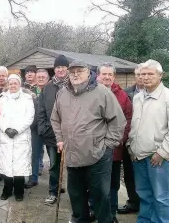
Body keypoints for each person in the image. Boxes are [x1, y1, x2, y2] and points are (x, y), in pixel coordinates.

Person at [51, 60, 126, 223]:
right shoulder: (62, 93)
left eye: (80, 71)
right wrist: (60, 139)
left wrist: (108, 145)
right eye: (72, 72)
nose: (75, 74)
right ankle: (80, 220)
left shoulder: (102, 92)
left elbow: (118, 121)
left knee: (100, 197)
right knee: (76, 196)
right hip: (72, 154)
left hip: (98, 155)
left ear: (89, 73)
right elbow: (55, 119)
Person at [127, 59, 169, 223]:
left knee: (160, 197)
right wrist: (130, 147)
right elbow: (135, 125)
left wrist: (162, 153)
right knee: (144, 194)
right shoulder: (138, 98)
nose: (145, 77)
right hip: (138, 156)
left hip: (157, 158)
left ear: (160, 76)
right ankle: (145, 220)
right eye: (142, 74)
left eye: (150, 73)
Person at [92, 63, 132, 223]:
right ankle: (95, 210)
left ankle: (111, 213)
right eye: (104, 74)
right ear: (98, 76)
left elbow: (128, 120)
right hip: (92, 149)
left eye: (110, 74)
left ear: (114, 77)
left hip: (113, 150)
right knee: (95, 183)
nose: (107, 77)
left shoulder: (122, 96)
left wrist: (119, 139)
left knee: (112, 184)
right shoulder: (90, 92)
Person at [37, 55, 69, 204]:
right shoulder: (48, 87)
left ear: (67, 69)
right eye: (58, 67)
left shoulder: (73, 85)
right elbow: (41, 109)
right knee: (54, 164)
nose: (60, 70)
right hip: (52, 134)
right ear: (54, 69)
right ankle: (53, 191)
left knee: (74, 165)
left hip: (72, 134)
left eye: (63, 67)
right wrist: (42, 128)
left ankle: (78, 193)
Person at [0, 74, 34, 201]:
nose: (13, 86)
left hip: (21, 137)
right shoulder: (2, 99)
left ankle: (19, 191)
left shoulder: (27, 99)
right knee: (7, 164)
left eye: (15, 83)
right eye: (11, 83)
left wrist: (17, 130)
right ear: (8, 84)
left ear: (20, 85)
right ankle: (7, 190)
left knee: (20, 165)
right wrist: (6, 129)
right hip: (6, 136)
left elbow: (29, 117)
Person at [117, 63, 144, 214]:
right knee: (129, 174)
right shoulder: (126, 93)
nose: (141, 77)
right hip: (129, 140)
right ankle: (133, 202)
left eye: (144, 74)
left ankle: (147, 205)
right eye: (138, 74)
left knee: (145, 176)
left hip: (148, 143)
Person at [25, 68, 49, 189]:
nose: (40, 79)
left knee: (54, 157)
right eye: (38, 77)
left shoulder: (52, 90)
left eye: (42, 77)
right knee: (34, 154)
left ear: (47, 78)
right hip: (35, 127)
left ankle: (55, 183)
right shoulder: (30, 91)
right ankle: (33, 178)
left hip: (50, 128)